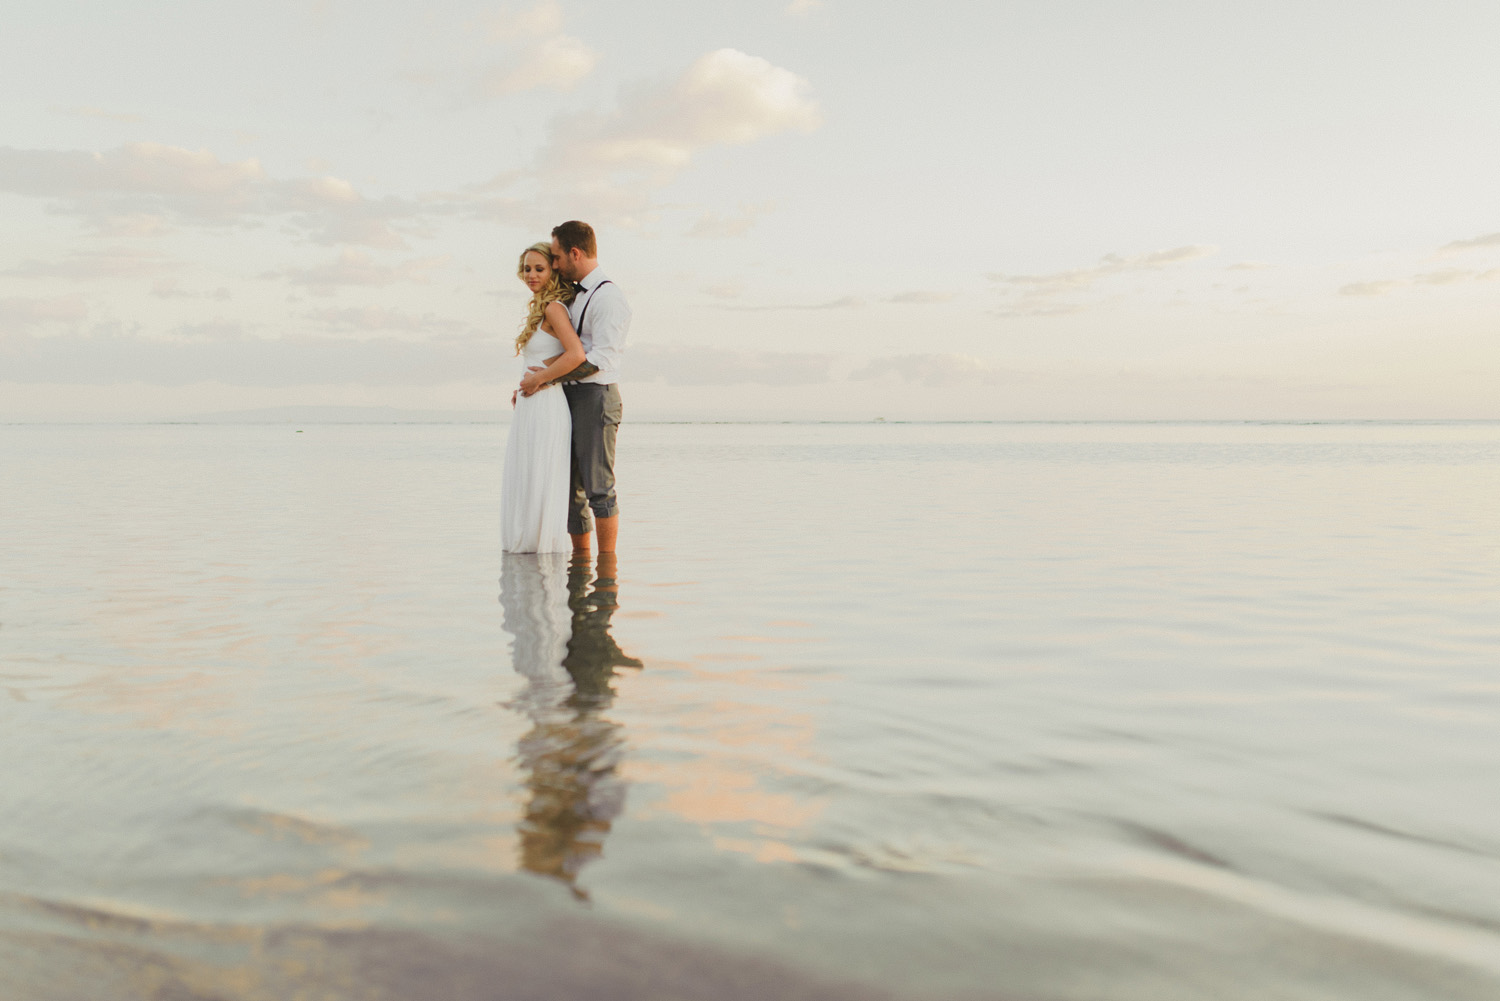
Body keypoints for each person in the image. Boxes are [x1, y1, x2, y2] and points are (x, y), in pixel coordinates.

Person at [518, 220, 629, 555]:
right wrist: (539, 380)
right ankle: (580, 565)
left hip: (596, 397)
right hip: (568, 397)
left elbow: (599, 360)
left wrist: (543, 378)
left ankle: (607, 569)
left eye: (555, 257)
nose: (553, 264)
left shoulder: (608, 297)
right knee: (570, 490)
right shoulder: (573, 295)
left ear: (574, 253)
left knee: (599, 489)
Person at [501, 243, 586, 553]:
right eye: (527, 268)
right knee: (526, 476)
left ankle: (542, 556)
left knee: (539, 477)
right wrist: (526, 384)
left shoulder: (554, 308)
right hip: (530, 403)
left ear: (552, 271)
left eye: (539, 268)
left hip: (547, 404)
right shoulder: (540, 308)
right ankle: (527, 568)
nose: (531, 274)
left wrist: (538, 378)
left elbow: (576, 354)